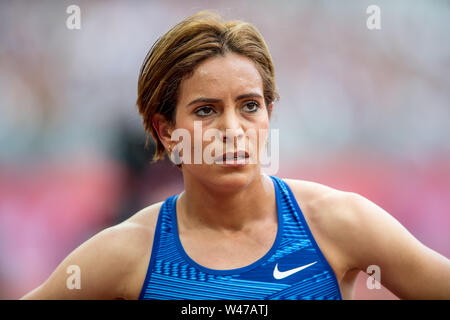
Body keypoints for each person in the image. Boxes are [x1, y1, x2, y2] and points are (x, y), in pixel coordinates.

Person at [21, 10, 450, 300]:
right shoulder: (127, 253)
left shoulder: (338, 224)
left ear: (269, 114)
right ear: (165, 131)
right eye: (206, 110)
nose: (232, 129)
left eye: (249, 106)